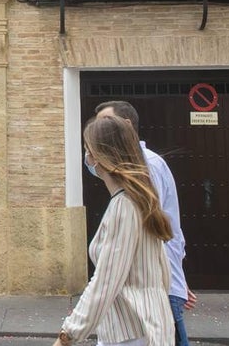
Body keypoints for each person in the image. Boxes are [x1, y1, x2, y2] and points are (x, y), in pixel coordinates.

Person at [55, 114, 173, 346]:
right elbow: (162, 271)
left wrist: (67, 336)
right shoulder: (141, 200)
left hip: (129, 331)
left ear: (99, 156)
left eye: (88, 150)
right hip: (147, 325)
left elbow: (105, 282)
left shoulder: (124, 206)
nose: (86, 158)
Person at [95, 100, 196, 346]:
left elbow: (151, 230)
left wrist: (173, 280)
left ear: (127, 126)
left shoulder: (146, 167)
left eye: (104, 125)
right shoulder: (130, 168)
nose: (98, 132)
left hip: (157, 289)